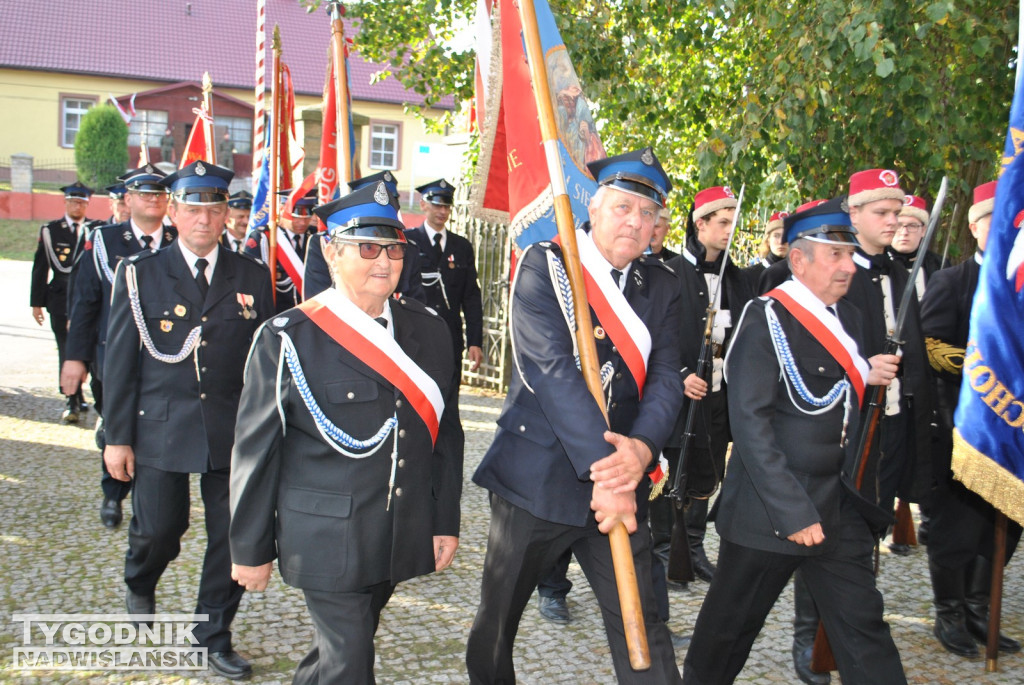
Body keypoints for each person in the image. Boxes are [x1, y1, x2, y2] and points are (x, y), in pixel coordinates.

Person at [466, 147, 685, 684]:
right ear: (595, 205)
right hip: (538, 479)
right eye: (624, 207)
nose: (635, 222)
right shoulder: (547, 265)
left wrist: (641, 450)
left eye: (647, 213)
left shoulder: (662, 285)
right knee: (498, 625)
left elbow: (665, 378)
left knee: (644, 623)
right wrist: (609, 468)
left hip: (623, 479)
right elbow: (552, 372)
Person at [230, 180, 462, 684]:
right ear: (332, 253)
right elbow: (256, 453)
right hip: (325, 538)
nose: (385, 261)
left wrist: (444, 520)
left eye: (393, 247)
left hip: (395, 531)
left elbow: (446, 436)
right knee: (351, 664)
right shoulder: (287, 337)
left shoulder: (429, 329)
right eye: (367, 247)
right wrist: (249, 550)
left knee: (339, 653)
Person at [682, 197, 906, 685]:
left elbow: (829, 395)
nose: (849, 266)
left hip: (836, 505)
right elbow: (750, 423)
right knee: (724, 641)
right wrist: (793, 512)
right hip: (771, 513)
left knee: (864, 629)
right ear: (799, 259)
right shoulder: (766, 318)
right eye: (836, 255)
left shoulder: (843, 317)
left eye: (850, 255)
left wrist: (868, 374)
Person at [102, 160, 273, 681]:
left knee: (231, 537)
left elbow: (265, 363)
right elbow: (120, 362)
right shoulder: (140, 274)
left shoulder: (252, 275)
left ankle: (212, 632)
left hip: (231, 430)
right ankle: (139, 580)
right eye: (192, 208)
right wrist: (116, 438)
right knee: (160, 530)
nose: (203, 218)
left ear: (227, 215)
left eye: (214, 208)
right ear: (172, 212)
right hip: (162, 424)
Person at [921, 179, 1022, 658]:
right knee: (956, 530)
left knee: (1000, 527)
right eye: (995, 222)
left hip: (1013, 432)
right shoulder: (951, 281)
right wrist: (989, 366)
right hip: (961, 428)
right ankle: (951, 614)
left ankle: (982, 608)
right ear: (976, 227)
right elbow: (931, 348)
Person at [62, 165, 177, 528]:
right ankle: (113, 492)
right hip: (112, 357)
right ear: (128, 200)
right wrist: (75, 358)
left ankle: (147, 501)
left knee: (156, 429)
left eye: (159, 194)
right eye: (145, 194)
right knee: (117, 425)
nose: (153, 200)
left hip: (165, 360)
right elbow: (85, 303)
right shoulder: (104, 241)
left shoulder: (179, 241)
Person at [663, 186, 752, 584]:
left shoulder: (737, 278)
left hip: (720, 393)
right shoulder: (668, 271)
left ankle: (693, 547)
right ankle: (665, 548)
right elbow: (656, 332)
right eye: (723, 223)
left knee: (707, 469)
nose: (731, 231)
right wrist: (680, 375)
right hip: (679, 394)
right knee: (673, 469)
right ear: (700, 224)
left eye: (734, 222)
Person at [30, 181, 104, 423]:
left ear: (87, 204)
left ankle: (87, 394)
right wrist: (36, 302)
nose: (77, 206)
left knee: (91, 351)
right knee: (67, 350)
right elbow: (40, 268)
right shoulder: (52, 230)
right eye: (73, 201)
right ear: (65, 202)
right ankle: (71, 399)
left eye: (81, 202)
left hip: (88, 299)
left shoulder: (97, 230)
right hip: (60, 299)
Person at [302, 170, 424, 302]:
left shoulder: (407, 246)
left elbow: (414, 300)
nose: (384, 262)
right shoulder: (323, 243)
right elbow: (317, 298)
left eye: (393, 199)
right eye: (368, 247)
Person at [406, 178, 484, 373]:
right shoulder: (408, 242)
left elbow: (471, 297)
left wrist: (474, 341)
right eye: (437, 205)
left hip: (450, 336)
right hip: (416, 334)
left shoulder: (461, 246)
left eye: (447, 207)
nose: (442, 212)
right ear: (423, 205)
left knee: (450, 396)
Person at [244, 187, 316, 313]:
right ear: (282, 210)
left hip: (311, 313)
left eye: (307, 217)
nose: (302, 222)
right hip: (276, 314)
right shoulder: (264, 238)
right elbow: (251, 281)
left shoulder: (315, 236)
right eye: (295, 217)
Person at [890, 194, 944, 300]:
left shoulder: (938, 264)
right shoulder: (878, 263)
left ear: (923, 230)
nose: (904, 232)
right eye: (899, 225)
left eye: (912, 226)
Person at [742, 210, 789, 291]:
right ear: (768, 240)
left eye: (786, 236)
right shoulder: (749, 275)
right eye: (776, 236)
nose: (781, 241)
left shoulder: (799, 276)